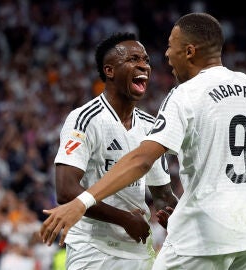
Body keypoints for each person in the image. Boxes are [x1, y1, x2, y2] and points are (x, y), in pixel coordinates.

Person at [40, 13, 246, 270]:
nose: (165, 56)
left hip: (203, 234)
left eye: (170, 47)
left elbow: (141, 160)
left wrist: (81, 203)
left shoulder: (185, 95)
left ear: (189, 51)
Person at [49, 32, 178, 270]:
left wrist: (179, 220)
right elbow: (66, 191)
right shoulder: (84, 119)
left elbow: (162, 195)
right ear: (109, 71)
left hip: (139, 250)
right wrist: (125, 219)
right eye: (133, 59)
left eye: (146, 60)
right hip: (92, 250)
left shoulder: (151, 126)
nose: (143, 65)